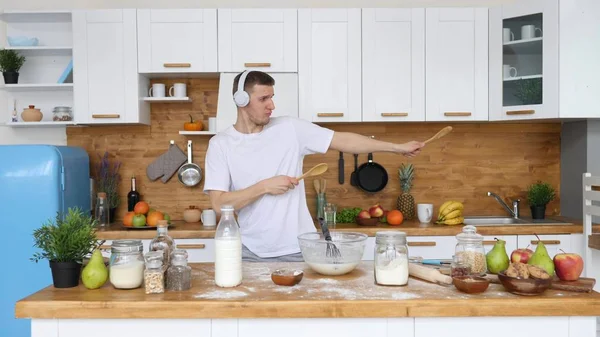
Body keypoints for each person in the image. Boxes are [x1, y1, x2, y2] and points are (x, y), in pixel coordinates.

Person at [203, 70, 425, 262]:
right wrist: (264, 187)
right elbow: (219, 203)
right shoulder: (221, 144)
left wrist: (396, 147)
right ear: (241, 100)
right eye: (263, 99)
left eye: (272, 97)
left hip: (300, 249)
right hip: (249, 252)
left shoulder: (290, 129)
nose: (272, 105)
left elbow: (343, 140)